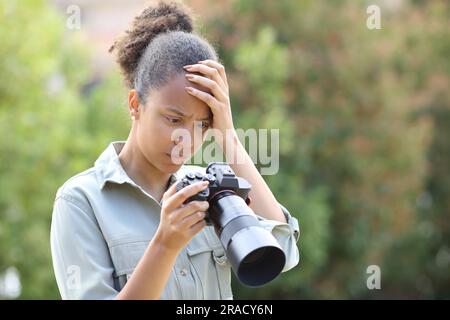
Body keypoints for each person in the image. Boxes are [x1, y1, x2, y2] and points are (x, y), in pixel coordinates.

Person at [50, 1, 299, 300]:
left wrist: (228, 135)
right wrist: (165, 245)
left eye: (202, 125)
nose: (186, 140)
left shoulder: (210, 191)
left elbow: (283, 249)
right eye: (174, 119)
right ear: (135, 105)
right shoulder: (81, 201)